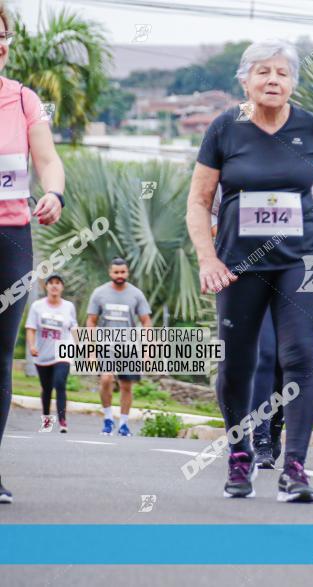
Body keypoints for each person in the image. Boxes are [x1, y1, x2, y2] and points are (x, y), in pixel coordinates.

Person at [186, 38, 313, 501]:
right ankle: (239, 456)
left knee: (300, 356)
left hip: (304, 260)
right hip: (238, 264)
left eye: (282, 73)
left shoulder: (309, 127)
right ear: (245, 80)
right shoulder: (224, 129)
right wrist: (207, 258)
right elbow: (198, 202)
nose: (273, 80)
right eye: (263, 72)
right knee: (238, 361)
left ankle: (294, 466)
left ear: (293, 81)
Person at [211, 182, 313, 469]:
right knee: (262, 355)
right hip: (248, 269)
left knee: (288, 360)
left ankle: (275, 427)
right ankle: (260, 437)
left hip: (296, 267)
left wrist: (292, 223)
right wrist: (233, 229)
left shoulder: (299, 166)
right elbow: (209, 214)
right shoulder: (235, 164)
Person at [0, 3, 66, 503]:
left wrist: (54, 192)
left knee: (0, 355)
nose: (1, 45)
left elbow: (47, 160)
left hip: (10, 238)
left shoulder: (23, 101)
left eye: (3, 36)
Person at [85, 258, 152, 437]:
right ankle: (108, 419)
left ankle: (123, 424)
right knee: (106, 379)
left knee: (126, 386)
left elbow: (146, 322)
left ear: (127, 272)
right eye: (116, 272)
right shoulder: (99, 293)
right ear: (110, 272)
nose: (119, 275)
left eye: (123, 272)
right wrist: (91, 351)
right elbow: (91, 321)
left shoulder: (136, 294)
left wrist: (147, 350)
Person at [25, 273, 77, 433]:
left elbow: (73, 327)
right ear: (46, 286)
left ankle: (62, 421)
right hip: (43, 353)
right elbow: (31, 328)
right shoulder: (37, 306)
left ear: (62, 287)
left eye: (58, 283)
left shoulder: (69, 307)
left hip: (63, 351)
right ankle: (47, 420)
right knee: (46, 388)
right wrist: (32, 346)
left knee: (59, 383)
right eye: (51, 283)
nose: (54, 285)